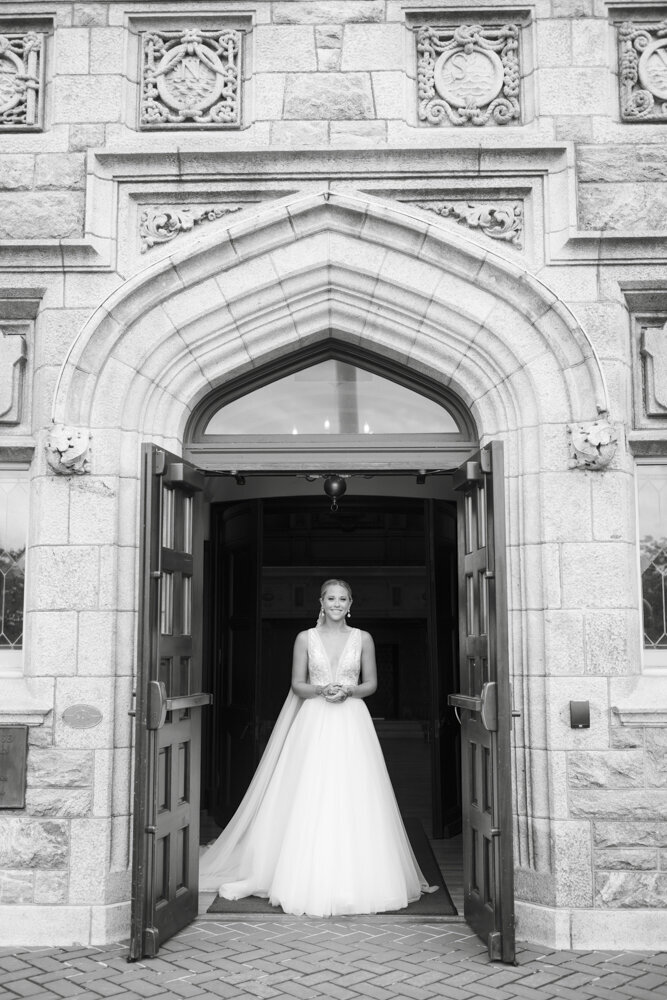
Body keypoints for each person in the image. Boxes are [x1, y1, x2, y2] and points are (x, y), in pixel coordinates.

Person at [199, 578, 437, 916]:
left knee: (356, 792)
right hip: (314, 719)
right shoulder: (304, 639)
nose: (337, 604)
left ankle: (361, 878)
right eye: (331, 598)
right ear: (320, 602)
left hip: (353, 720)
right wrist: (321, 691)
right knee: (310, 789)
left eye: (343, 598)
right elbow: (297, 684)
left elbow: (371, 683)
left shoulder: (363, 638)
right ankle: (300, 873)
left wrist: (349, 692)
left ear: (350, 603)